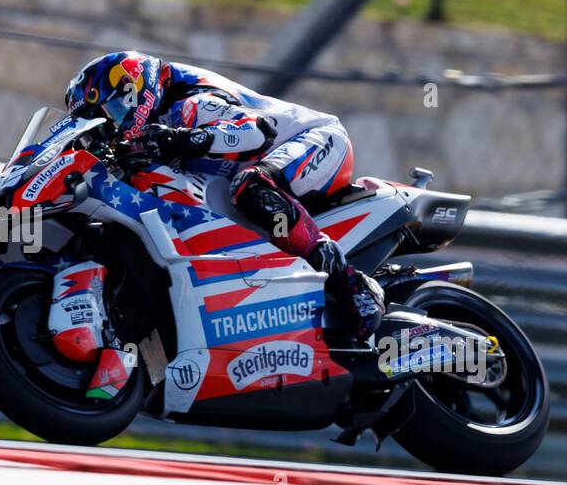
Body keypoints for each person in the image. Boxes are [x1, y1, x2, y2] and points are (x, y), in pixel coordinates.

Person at [64, 51, 384, 338]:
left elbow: (257, 132)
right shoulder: (156, 123)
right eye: (103, 124)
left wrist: (178, 140)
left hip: (318, 139)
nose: (114, 127)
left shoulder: (189, 102)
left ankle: (351, 284)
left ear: (136, 88)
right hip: (248, 163)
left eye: (114, 112)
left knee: (250, 187)